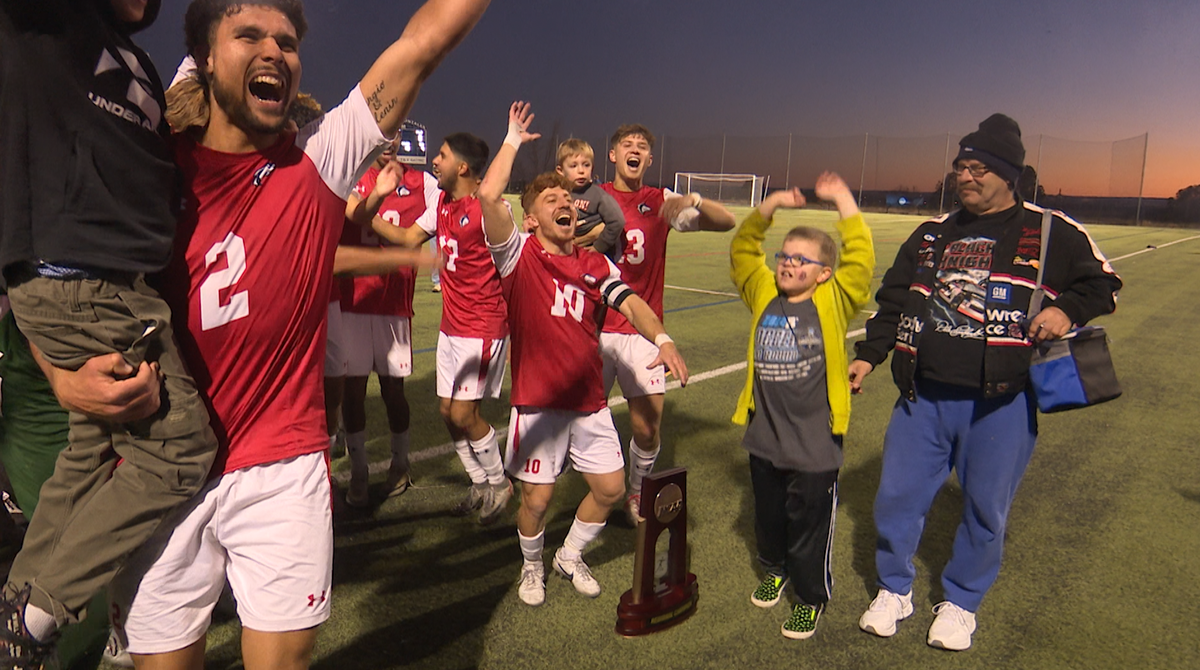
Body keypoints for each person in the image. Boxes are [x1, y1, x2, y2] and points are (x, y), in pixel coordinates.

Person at [95, 1, 489, 667]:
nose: (275, 50)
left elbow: (423, 43)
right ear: (207, 57)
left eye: (287, 40)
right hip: (161, 465)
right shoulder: (150, 169)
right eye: (249, 34)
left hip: (281, 467)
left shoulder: (319, 161)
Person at [0, 0, 224, 663]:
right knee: (180, 450)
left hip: (105, 283)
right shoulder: (45, 21)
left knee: (89, 447)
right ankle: (42, 614)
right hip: (84, 279)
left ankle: (20, 592)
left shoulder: (140, 63)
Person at [850, 114, 1122, 651]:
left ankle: (961, 601)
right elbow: (895, 299)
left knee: (984, 507)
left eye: (978, 168)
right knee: (896, 498)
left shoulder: (1050, 230)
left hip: (1002, 402)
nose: (965, 177)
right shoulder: (931, 233)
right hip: (921, 396)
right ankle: (894, 589)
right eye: (960, 167)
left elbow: (1106, 283)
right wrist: (870, 355)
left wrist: (1067, 309)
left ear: (1008, 173)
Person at [478, 102, 688, 606]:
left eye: (566, 197)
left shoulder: (594, 263)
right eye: (550, 199)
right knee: (538, 499)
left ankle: (568, 554)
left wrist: (662, 339)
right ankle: (532, 567)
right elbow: (488, 194)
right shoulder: (519, 256)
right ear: (530, 219)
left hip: (590, 404)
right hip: (538, 404)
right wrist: (510, 140)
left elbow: (631, 302)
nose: (563, 202)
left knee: (612, 490)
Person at [729, 175, 874, 640]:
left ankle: (810, 597)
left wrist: (843, 200)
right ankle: (775, 568)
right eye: (784, 256)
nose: (788, 264)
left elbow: (861, 257)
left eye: (800, 259)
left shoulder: (835, 299)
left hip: (814, 443)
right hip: (765, 436)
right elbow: (742, 250)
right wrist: (769, 205)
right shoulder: (762, 292)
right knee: (768, 516)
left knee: (809, 525)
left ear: (823, 272)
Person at [367, 133, 513, 525]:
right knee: (448, 411)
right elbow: (409, 238)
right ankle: (479, 481)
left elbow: (517, 261)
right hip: (452, 325)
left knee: (466, 414)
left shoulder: (490, 210)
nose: (434, 160)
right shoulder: (444, 203)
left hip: (481, 327)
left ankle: (500, 483)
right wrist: (368, 215)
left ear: (462, 167)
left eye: (442, 156)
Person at [600, 124, 736, 524]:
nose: (635, 150)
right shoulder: (594, 196)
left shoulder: (661, 201)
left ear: (650, 159)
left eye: (642, 146)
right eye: (627, 144)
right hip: (594, 326)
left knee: (646, 428)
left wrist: (692, 198)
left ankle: (637, 494)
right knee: (575, 416)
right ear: (613, 155)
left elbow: (725, 222)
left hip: (643, 330)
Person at [340, 134, 442, 506]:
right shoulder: (347, 174)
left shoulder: (424, 183)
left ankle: (400, 464)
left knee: (393, 390)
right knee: (351, 391)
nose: (388, 139)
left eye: (395, 131)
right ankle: (360, 471)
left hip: (394, 303)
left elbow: (450, 207)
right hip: (351, 300)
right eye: (381, 131)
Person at [555, 139, 624, 261]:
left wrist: (599, 247)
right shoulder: (556, 194)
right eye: (573, 166)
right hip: (564, 256)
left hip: (592, 258)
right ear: (560, 171)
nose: (581, 170)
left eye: (586, 165)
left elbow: (617, 221)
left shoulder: (598, 195)